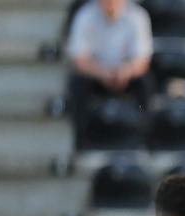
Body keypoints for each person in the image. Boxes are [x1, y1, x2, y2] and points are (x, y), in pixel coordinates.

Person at [66, 0, 154, 134]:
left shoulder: (137, 16)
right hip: (96, 75)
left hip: (127, 76)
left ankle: (144, 131)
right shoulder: (85, 15)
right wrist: (103, 74)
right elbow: (80, 61)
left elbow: (143, 60)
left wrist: (126, 71)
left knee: (145, 83)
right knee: (77, 83)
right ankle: (81, 136)